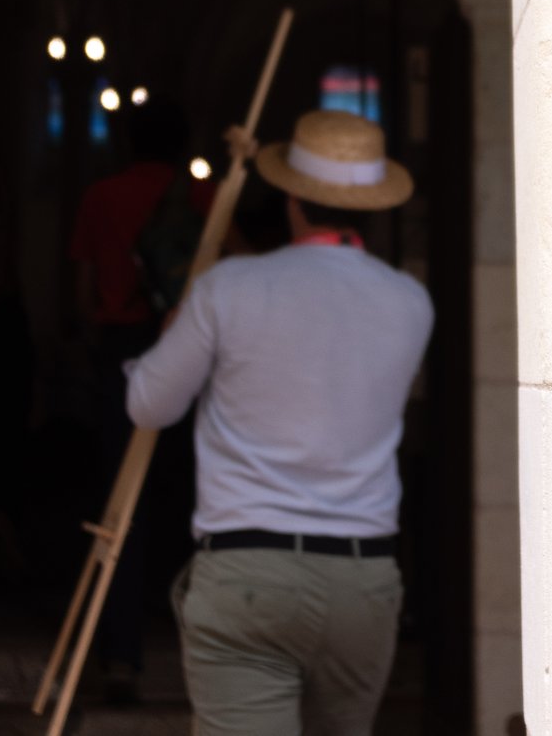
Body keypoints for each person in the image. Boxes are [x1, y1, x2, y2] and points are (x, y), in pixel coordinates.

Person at [126, 109, 433, 736]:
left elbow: (149, 405)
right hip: (363, 579)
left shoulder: (230, 288)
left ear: (292, 196)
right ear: (373, 205)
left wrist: (172, 333)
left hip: (250, 571)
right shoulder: (410, 301)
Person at [69, 98, 213, 699]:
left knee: (121, 501)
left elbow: (82, 290)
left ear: (129, 141)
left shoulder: (101, 197)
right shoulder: (203, 197)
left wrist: (97, 330)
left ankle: (121, 656)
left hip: (122, 350)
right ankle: (201, 647)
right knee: (195, 494)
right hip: (189, 345)